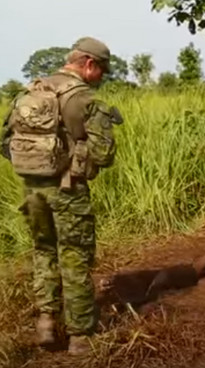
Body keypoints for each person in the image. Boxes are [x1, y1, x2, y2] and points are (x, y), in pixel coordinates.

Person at [1, 37, 122, 354]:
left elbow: (5, 143)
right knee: (74, 256)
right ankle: (80, 336)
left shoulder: (29, 92)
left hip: (32, 190)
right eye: (102, 70)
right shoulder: (83, 99)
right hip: (68, 190)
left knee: (43, 251)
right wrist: (78, 160)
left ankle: (46, 323)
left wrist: (36, 167)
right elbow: (105, 154)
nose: (102, 77)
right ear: (88, 64)